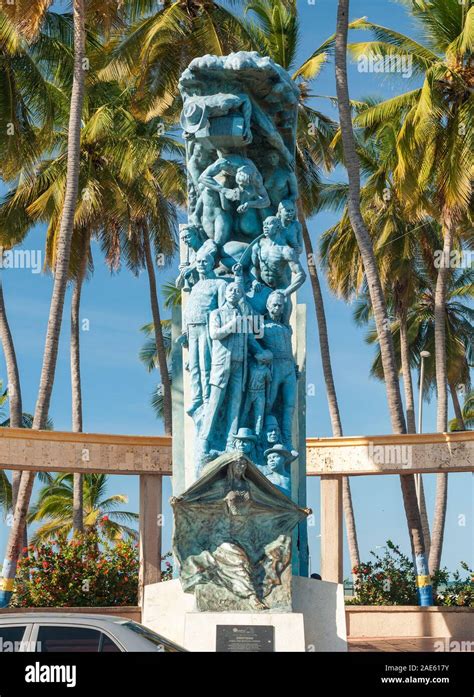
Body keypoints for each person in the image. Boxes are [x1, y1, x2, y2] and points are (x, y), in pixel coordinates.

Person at [200, 282, 263, 454]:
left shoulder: (243, 317)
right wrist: (233, 324)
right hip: (221, 365)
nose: (234, 292)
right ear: (225, 293)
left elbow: (250, 339)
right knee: (214, 403)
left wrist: (261, 352)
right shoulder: (216, 313)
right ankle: (205, 439)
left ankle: (230, 441)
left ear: (241, 295)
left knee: (235, 405)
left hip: (239, 365)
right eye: (231, 290)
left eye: (238, 290)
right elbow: (215, 334)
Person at [179, 249, 227, 416]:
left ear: (212, 264)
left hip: (206, 327)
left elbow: (222, 310)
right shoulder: (195, 286)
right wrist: (184, 330)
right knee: (194, 366)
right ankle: (197, 398)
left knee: (205, 364)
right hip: (192, 329)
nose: (200, 264)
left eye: (204, 261)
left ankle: (207, 399)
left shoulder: (219, 284)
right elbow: (188, 309)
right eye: (198, 261)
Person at [240, 351, 273, 437]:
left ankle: (257, 435)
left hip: (260, 394)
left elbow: (268, 384)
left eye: (261, 354)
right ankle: (240, 430)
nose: (258, 354)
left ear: (264, 360)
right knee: (245, 411)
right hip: (250, 392)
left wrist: (268, 398)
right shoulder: (251, 366)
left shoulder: (266, 371)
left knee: (259, 416)